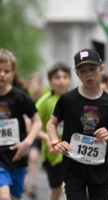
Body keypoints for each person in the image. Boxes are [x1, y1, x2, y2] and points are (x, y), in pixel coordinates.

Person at [46, 48, 108, 200]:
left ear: (102, 69)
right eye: (82, 71)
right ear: (77, 73)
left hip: (101, 171)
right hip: (73, 170)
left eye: (92, 69)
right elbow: (51, 124)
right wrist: (55, 142)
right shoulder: (67, 99)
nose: (88, 74)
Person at [0, 48, 42, 200]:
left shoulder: (19, 96)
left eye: (7, 71)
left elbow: (37, 121)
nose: (2, 74)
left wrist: (27, 142)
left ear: (13, 72)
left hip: (17, 157)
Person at [35, 62, 71, 200]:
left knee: (72, 188)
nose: (61, 80)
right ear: (50, 81)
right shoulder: (44, 102)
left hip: (72, 151)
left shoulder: (74, 99)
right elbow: (33, 128)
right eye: (57, 77)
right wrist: (47, 138)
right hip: (52, 155)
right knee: (56, 191)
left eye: (65, 77)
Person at [25, 71, 49, 199]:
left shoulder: (45, 98)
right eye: (32, 83)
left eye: (36, 83)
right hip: (33, 135)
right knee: (33, 158)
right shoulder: (27, 99)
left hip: (45, 133)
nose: (34, 86)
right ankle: (32, 184)